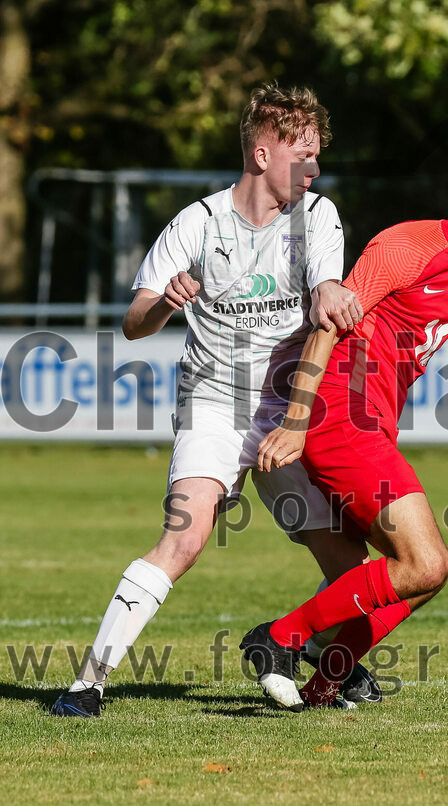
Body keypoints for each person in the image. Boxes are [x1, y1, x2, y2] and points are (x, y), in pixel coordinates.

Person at [51, 83, 374, 717]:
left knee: (347, 557)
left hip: (287, 412)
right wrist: (164, 304)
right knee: (185, 536)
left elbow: (324, 286)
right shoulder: (197, 223)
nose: (314, 170)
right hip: (213, 407)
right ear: (261, 154)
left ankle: (330, 661)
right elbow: (133, 321)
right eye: (302, 155)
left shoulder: (320, 215)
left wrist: (331, 294)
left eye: (318, 156)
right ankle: (86, 684)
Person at [240, 155, 448, 709]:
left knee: (422, 577)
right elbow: (329, 323)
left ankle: (326, 682)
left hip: (372, 425)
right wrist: (297, 422)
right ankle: (279, 638)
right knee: (427, 563)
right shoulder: (406, 248)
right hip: (340, 415)